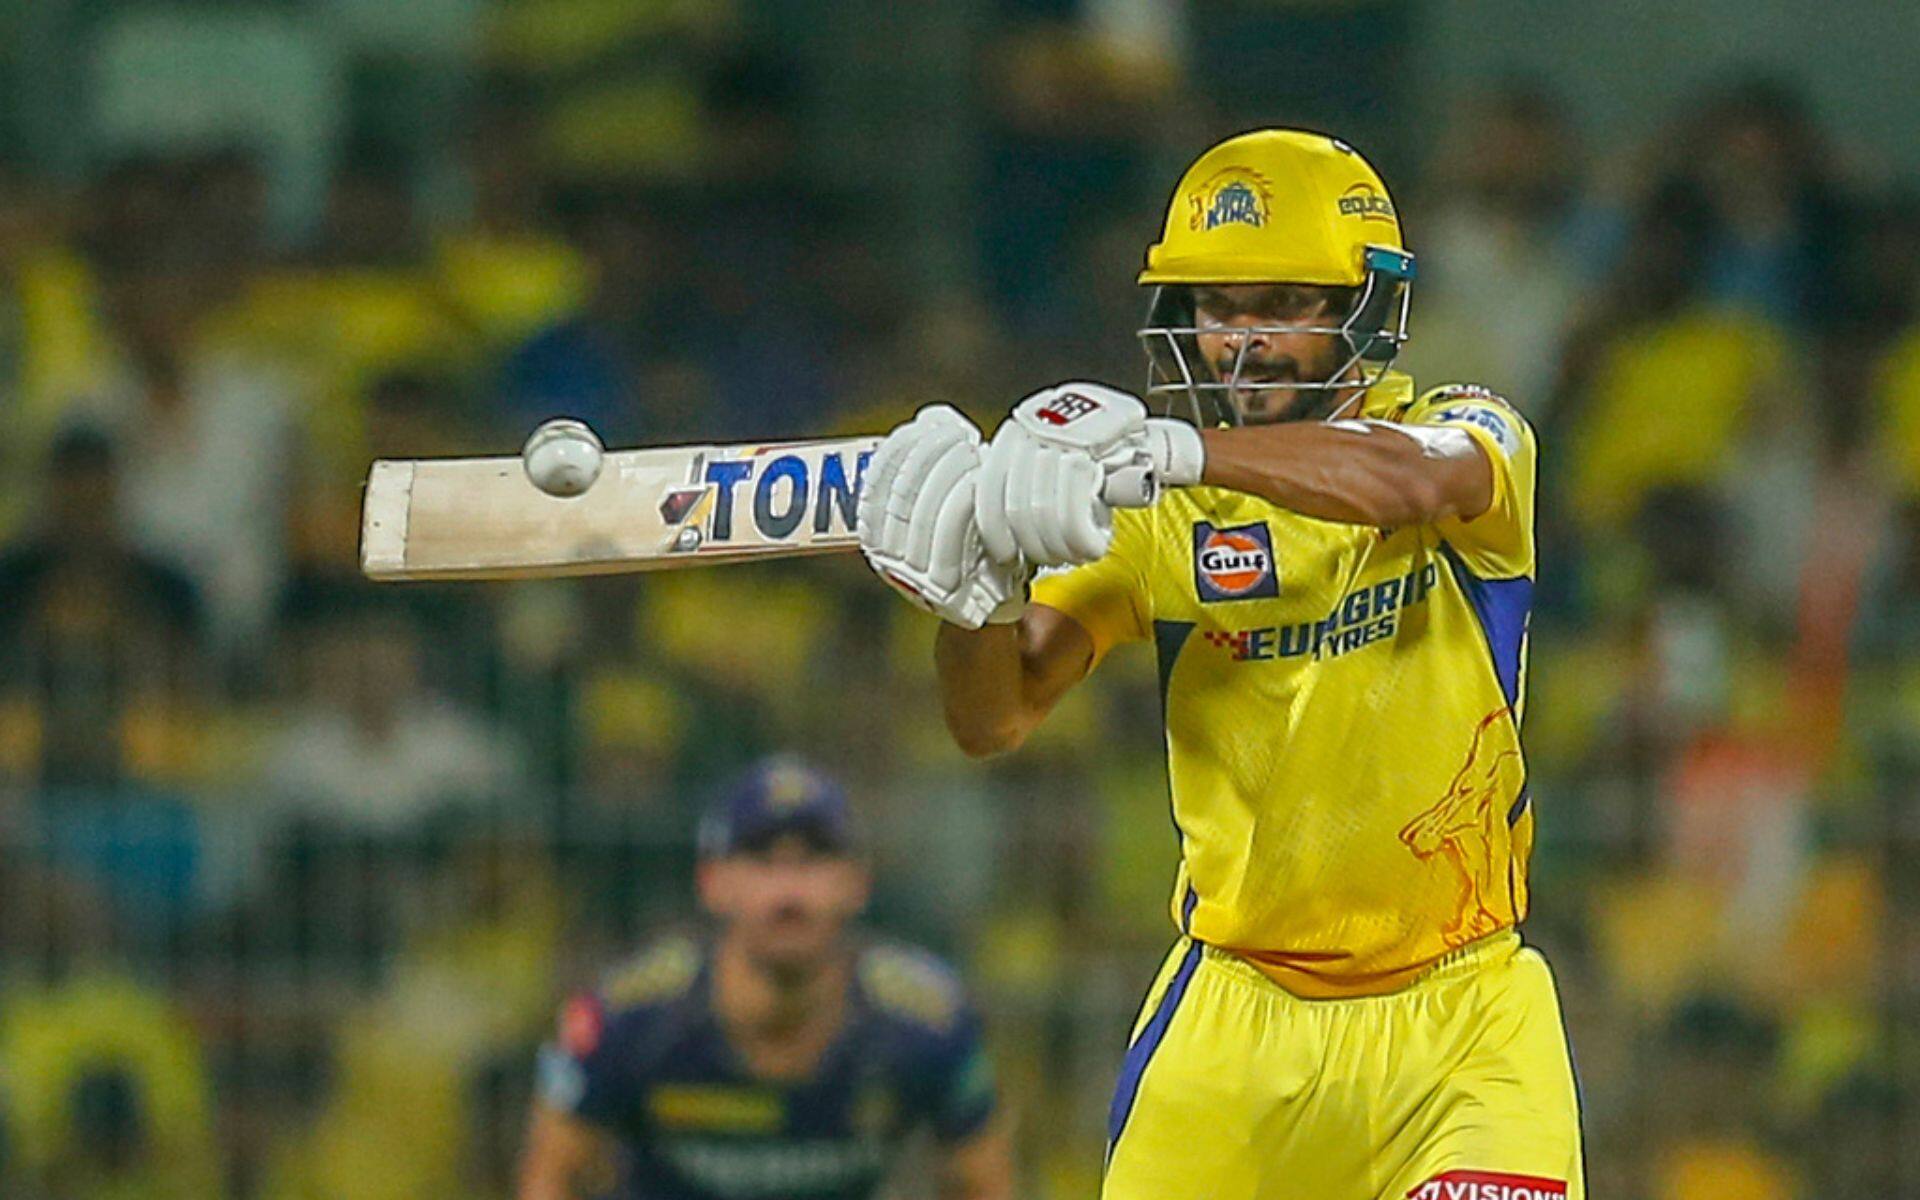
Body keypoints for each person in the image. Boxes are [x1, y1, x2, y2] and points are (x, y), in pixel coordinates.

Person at [857, 129, 1582, 1198]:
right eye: (1217, 306)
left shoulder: (1471, 434)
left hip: (1464, 1020)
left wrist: (1171, 449)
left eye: (1281, 305)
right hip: (1235, 1023)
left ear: (1364, 309)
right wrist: (975, 600)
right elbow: (993, 718)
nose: (1240, 342)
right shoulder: (1158, 521)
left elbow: (1408, 485)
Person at [517, 758, 1011, 1200]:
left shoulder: (927, 1020)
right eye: (760, 859)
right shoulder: (628, 1015)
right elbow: (547, 1176)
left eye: (815, 859)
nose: (789, 889)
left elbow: (984, 1183)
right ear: (711, 882)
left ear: (858, 883)